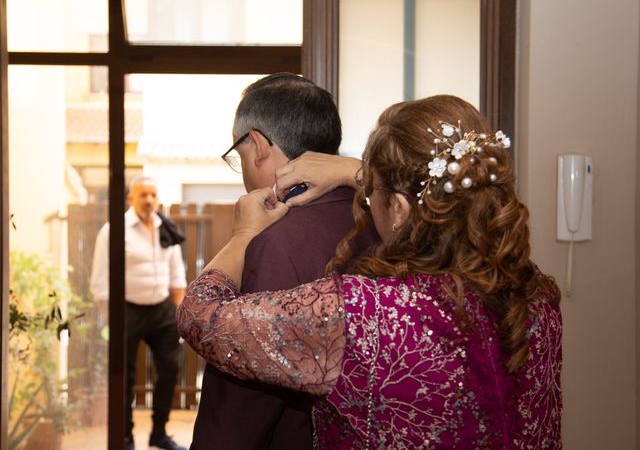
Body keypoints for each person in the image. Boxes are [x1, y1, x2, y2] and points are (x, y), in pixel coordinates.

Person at [177, 94, 562, 449]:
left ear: (398, 208)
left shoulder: (365, 314)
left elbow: (199, 314)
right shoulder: (536, 295)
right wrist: (355, 172)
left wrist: (243, 235)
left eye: (372, 190)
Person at [189, 73, 377, 450]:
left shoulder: (274, 242)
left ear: (257, 145)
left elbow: (242, 402)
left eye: (237, 154)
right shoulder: (376, 223)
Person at [90, 176, 188, 450]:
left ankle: (159, 433)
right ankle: (125, 438)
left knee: (170, 370)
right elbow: (100, 279)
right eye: (142, 194)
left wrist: (179, 308)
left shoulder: (164, 227)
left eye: (152, 194)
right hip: (127, 311)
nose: (148, 200)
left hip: (162, 310)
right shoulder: (113, 231)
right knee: (125, 378)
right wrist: (112, 318)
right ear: (130, 198)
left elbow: (176, 270)